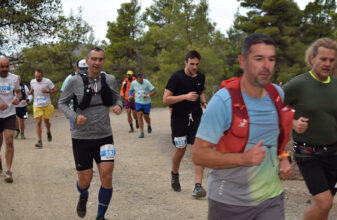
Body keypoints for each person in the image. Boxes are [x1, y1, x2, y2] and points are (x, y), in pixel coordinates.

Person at [192, 33, 293, 219]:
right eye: (259, 59)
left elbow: (278, 134)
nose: (266, 66)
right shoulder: (223, 102)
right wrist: (243, 159)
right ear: (242, 61)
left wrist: (284, 157)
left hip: (271, 199)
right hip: (229, 202)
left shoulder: (277, 94)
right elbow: (199, 154)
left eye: (271, 59)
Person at [58, 47, 123, 220]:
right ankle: (83, 195)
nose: (97, 62)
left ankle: (100, 217)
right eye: (93, 59)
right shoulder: (74, 81)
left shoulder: (109, 79)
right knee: (85, 181)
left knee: (107, 176)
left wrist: (119, 106)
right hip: (81, 137)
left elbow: (117, 98)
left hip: (104, 135)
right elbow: (62, 103)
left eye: (100, 59)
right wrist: (74, 116)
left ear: (104, 61)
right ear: (87, 61)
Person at [283, 38, 337, 220]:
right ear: (312, 58)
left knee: (324, 206)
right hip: (307, 153)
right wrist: (292, 123)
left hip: (332, 153)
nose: (327, 64)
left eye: (331, 60)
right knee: (325, 202)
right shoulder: (298, 84)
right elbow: (273, 108)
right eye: (323, 59)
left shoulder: (335, 85)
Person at [163, 50, 208, 198]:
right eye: (192, 64)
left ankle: (198, 186)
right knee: (180, 149)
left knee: (198, 151)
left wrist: (205, 103)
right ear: (186, 62)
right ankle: (174, 174)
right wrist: (185, 97)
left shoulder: (201, 77)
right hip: (179, 118)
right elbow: (166, 99)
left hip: (196, 117)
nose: (195, 67)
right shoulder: (176, 77)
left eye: (197, 64)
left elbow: (201, 92)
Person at [0, 57, 21, 183]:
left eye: (6, 66)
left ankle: (8, 171)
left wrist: (17, 99)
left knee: (9, 140)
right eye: (2, 67)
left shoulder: (13, 78)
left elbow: (18, 93)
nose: (4, 69)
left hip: (9, 113)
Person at [28, 69, 56, 148]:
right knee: (38, 122)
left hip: (46, 105)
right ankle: (39, 141)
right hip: (37, 105)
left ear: (42, 75)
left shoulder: (47, 81)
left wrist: (47, 91)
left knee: (47, 121)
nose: (37, 78)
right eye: (36, 76)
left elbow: (54, 90)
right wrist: (30, 92)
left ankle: (48, 131)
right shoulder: (32, 81)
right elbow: (33, 89)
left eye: (39, 77)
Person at [61, 59, 88, 128]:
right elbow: (63, 97)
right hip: (74, 111)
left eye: (86, 69)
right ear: (77, 68)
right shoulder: (70, 78)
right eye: (82, 69)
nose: (85, 71)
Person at [129, 73, 157, 138]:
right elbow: (131, 90)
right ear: (136, 79)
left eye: (141, 79)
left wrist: (147, 95)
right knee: (139, 114)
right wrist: (130, 95)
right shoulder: (133, 83)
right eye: (139, 80)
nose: (140, 81)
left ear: (142, 78)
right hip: (138, 102)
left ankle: (149, 124)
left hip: (147, 102)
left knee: (146, 117)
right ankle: (141, 132)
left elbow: (155, 91)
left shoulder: (147, 82)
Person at [14, 75, 33, 140]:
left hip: (23, 107)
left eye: (18, 79)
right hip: (14, 107)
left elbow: (30, 96)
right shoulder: (12, 87)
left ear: (20, 80)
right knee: (15, 118)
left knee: (22, 121)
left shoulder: (24, 87)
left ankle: (22, 133)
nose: (17, 81)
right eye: (16, 79)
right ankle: (17, 130)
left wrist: (27, 100)